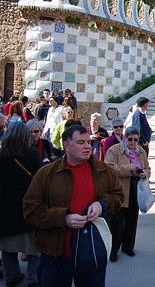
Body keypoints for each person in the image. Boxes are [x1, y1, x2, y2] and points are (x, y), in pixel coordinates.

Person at [23, 125, 124, 286]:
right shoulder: (46, 173)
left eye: (89, 142)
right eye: (81, 142)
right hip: (55, 254)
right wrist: (63, 218)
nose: (87, 146)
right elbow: (31, 210)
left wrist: (102, 204)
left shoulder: (104, 170)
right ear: (66, 146)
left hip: (91, 251)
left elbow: (118, 196)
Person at [0, 122, 44, 287]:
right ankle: (33, 278)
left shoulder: (1, 154)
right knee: (33, 245)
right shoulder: (31, 154)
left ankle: (11, 276)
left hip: (5, 205)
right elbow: (40, 177)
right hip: (27, 204)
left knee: (7, 245)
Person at [104, 126, 151, 263]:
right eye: (130, 139)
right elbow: (109, 168)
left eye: (136, 140)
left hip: (136, 189)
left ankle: (128, 246)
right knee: (117, 223)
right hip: (119, 190)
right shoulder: (115, 150)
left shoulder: (141, 151)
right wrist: (128, 169)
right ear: (125, 138)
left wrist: (145, 174)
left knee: (132, 220)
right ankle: (113, 250)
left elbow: (148, 168)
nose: (133, 142)